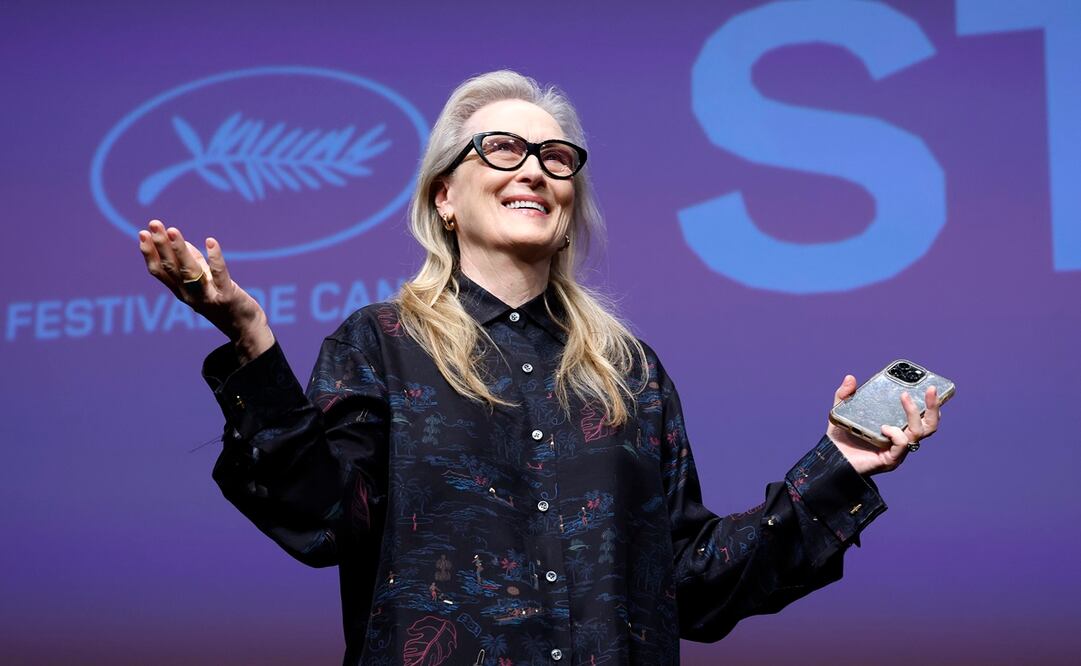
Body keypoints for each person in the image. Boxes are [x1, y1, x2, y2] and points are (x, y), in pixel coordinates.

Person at [138, 70, 942, 665]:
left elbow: (690, 585)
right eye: (504, 148)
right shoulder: (378, 343)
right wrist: (250, 341)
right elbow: (321, 523)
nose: (533, 169)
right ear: (444, 196)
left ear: (568, 206)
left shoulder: (627, 372)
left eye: (556, 158)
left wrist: (840, 464)